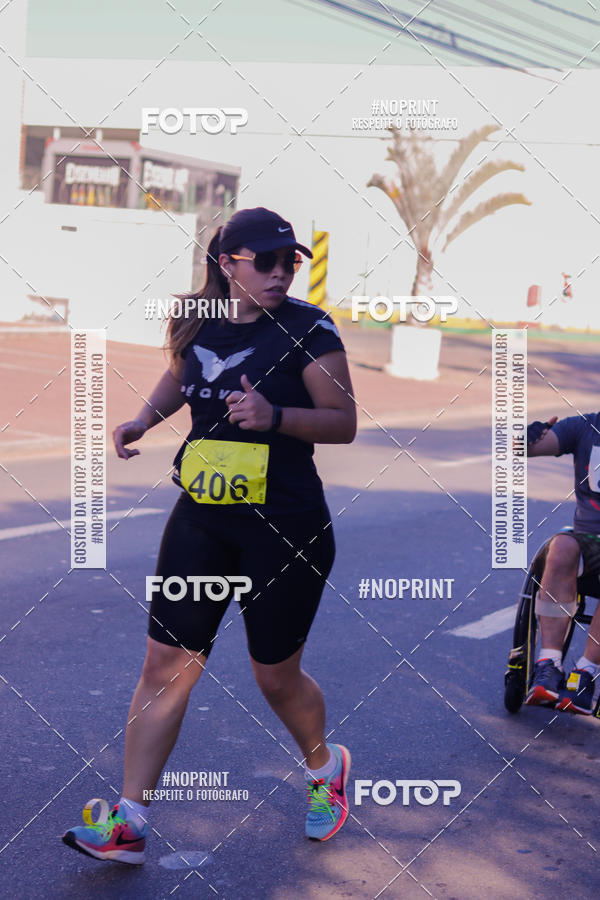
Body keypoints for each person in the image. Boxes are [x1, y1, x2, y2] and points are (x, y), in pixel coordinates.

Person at [62, 207, 357, 864]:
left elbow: (343, 421)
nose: (282, 272)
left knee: (275, 677)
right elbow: (183, 371)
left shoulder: (310, 328)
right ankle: (130, 821)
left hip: (285, 525)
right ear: (227, 264)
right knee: (166, 666)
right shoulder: (195, 317)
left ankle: (324, 768)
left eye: (290, 263)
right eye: (267, 261)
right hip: (203, 512)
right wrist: (144, 418)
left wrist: (273, 414)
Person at [525, 413, 600, 715]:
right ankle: (548, 664)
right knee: (560, 547)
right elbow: (525, 448)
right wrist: (527, 436)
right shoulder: (585, 426)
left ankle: (586, 673)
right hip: (587, 540)